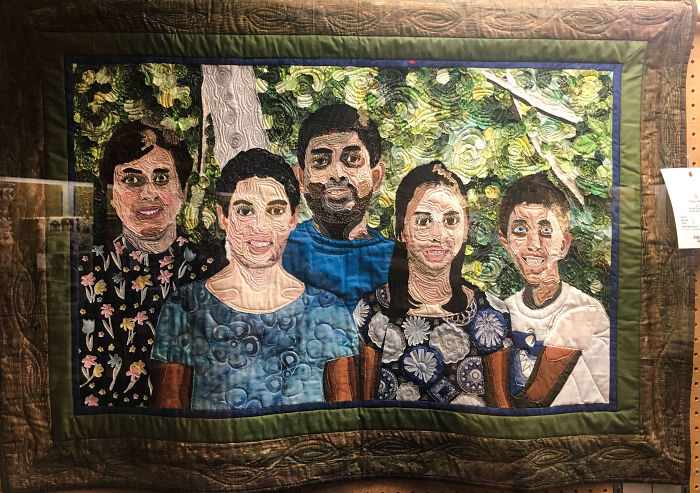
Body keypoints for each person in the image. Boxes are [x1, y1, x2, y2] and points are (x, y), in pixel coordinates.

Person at [150, 148, 359, 410]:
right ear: (223, 217)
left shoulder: (329, 311)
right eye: (245, 210)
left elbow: (346, 419)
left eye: (275, 210)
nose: (260, 226)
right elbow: (169, 416)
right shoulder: (186, 307)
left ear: (293, 218)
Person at [332, 162, 512, 407]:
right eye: (424, 221)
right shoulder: (373, 311)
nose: (438, 235)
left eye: (451, 220)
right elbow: (364, 407)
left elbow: (501, 408)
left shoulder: (489, 313)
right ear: (401, 230)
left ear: (466, 229)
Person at [77, 119, 223, 408]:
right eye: (132, 180)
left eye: (161, 178)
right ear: (111, 193)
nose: (148, 193)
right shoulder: (86, 272)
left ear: (183, 189)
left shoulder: (211, 270)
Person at [498, 173, 610, 407]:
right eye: (520, 230)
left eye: (546, 230)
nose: (534, 244)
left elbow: (537, 396)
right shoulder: (503, 311)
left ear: (564, 245)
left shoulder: (585, 310)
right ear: (505, 242)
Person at [282, 104, 394, 311]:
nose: (337, 174)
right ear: (300, 177)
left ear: (376, 177)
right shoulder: (278, 252)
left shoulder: (397, 262)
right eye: (320, 161)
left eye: (352, 159)